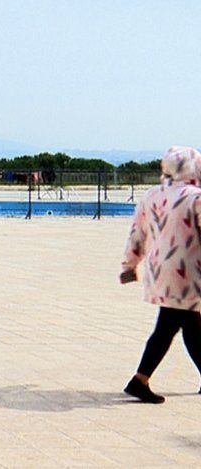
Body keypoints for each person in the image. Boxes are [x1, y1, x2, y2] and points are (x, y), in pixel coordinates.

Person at [120, 146, 201, 404]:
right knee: (169, 325)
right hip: (187, 272)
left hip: (160, 271)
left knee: (190, 324)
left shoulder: (152, 195)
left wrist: (129, 264)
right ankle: (140, 380)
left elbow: (137, 234)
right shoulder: (195, 198)